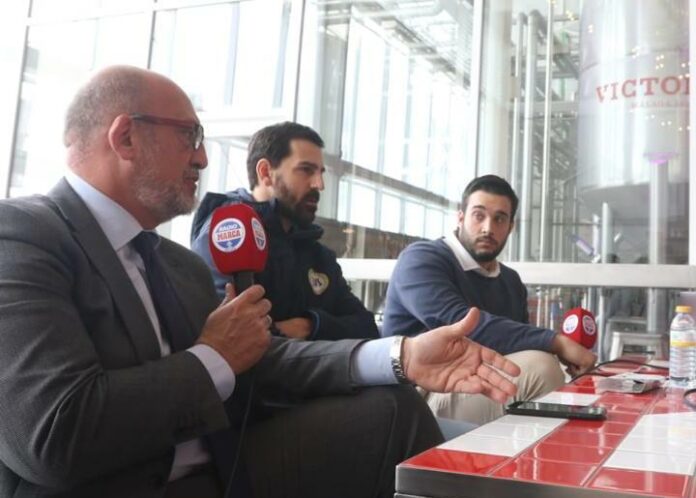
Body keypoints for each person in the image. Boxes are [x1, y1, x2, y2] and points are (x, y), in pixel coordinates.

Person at [0, 66, 521, 498]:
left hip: (226, 466)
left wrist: (400, 356)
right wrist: (211, 358)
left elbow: (259, 355)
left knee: (394, 409)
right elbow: (52, 436)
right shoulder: (22, 237)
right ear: (125, 137)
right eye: (190, 136)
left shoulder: (175, 264)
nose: (203, 157)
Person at [382, 174, 596, 425]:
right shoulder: (421, 259)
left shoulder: (510, 281)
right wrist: (556, 342)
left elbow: (519, 343)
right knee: (541, 370)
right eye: (478, 215)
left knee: (548, 368)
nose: (488, 228)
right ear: (460, 217)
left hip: (480, 379)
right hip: (420, 393)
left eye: (499, 219)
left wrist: (558, 351)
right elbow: (463, 324)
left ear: (511, 227)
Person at [190, 122, 377, 341]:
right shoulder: (230, 233)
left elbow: (366, 327)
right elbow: (237, 340)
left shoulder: (317, 253)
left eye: (320, 173)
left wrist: (310, 325)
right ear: (265, 173)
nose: (319, 184)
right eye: (306, 170)